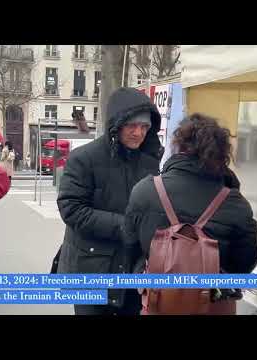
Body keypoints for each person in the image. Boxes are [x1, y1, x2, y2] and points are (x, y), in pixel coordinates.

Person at [123, 113, 257, 313]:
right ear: (221, 153)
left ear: (178, 146)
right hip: (214, 306)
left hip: (158, 303)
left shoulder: (144, 191)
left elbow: (130, 246)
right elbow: (247, 259)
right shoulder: (234, 202)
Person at [56, 87, 164, 315]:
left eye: (144, 127)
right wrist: (125, 226)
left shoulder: (150, 163)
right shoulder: (83, 158)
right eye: (131, 126)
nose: (138, 133)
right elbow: (71, 208)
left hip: (132, 270)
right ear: (116, 125)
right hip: (90, 267)